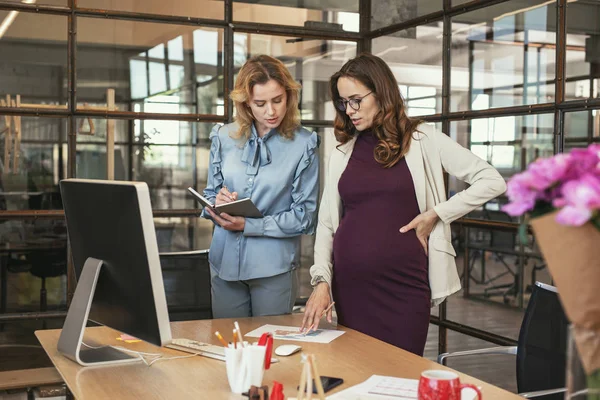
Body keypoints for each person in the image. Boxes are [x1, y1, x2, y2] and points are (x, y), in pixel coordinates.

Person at [301, 53, 506, 356]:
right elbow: (327, 223)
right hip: (351, 288)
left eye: (356, 99)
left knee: (402, 377)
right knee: (356, 376)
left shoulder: (424, 139)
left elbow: (492, 180)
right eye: (344, 102)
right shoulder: (343, 151)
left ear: (381, 93)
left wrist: (436, 214)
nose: (350, 110)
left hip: (404, 287)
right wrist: (321, 281)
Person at [202, 55, 320, 318]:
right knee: (228, 349)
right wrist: (217, 202)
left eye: (278, 100)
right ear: (246, 103)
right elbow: (210, 193)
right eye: (260, 103)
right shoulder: (223, 137)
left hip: (273, 269)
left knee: (271, 352)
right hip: (223, 265)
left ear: (289, 96)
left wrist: (249, 225)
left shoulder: (304, 144)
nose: (271, 111)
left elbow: (305, 216)